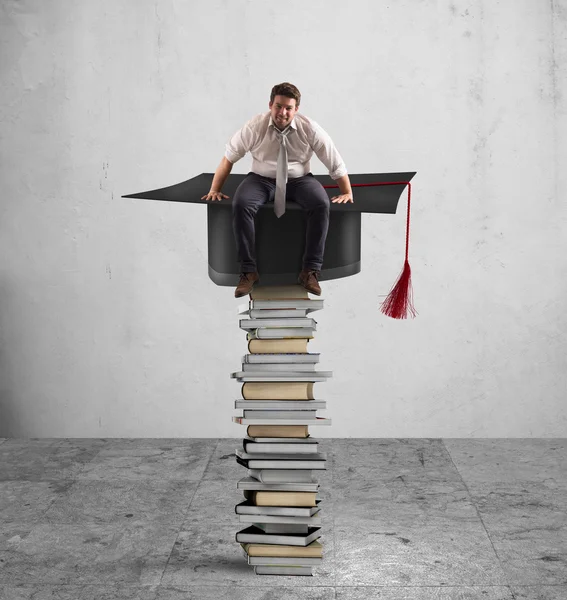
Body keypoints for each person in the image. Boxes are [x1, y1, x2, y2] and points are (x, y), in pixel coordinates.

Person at [201, 82, 353, 298]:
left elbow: (334, 161)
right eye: (278, 106)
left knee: (321, 204)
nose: (283, 112)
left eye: (288, 108)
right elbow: (229, 157)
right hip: (261, 180)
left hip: (299, 180)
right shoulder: (255, 127)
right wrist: (215, 188)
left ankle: (310, 271)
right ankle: (248, 271)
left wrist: (347, 192)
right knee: (241, 204)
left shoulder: (310, 129)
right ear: (271, 104)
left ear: (296, 109)